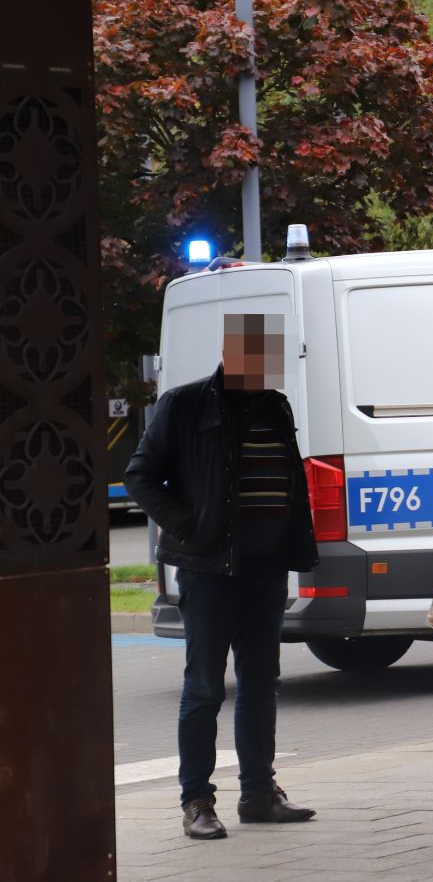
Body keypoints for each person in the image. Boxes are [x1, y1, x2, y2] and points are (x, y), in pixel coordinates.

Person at [125, 313, 318, 840]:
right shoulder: (185, 404)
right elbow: (139, 475)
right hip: (209, 570)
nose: (269, 371)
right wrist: (187, 525)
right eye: (260, 360)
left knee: (261, 683)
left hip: (265, 569)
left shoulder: (274, 406)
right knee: (205, 687)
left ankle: (258, 792)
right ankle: (197, 802)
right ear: (233, 357)